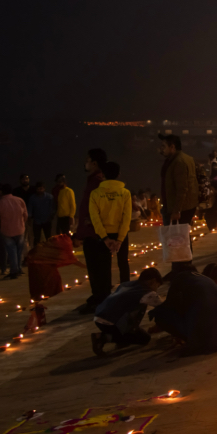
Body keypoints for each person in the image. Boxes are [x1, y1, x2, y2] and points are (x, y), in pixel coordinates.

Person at [148, 266, 217, 354]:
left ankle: (191, 340)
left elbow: (170, 306)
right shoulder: (206, 280)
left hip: (211, 341)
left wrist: (158, 321)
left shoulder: (180, 279)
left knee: (160, 314)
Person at [91, 267, 163, 356]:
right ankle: (103, 338)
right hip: (112, 322)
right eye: (157, 286)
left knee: (135, 331)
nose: (156, 290)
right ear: (153, 281)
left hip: (99, 317)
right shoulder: (147, 293)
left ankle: (120, 339)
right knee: (144, 338)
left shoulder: (126, 284)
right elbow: (163, 307)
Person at [88, 161, 133, 299]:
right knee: (123, 263)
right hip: (121, 233)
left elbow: (95, 218)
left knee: (104, 266)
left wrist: (105, 238)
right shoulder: (125, 193)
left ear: (102, 175)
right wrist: (120, 239)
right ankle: (126, 293)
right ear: (119, 174)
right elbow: (126, 218)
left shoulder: (95, 194)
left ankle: (106, 296)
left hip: (103, 235)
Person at [76, 148, 108, 312]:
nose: (85, 163)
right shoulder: (95, 180)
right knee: (95, 268)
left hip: (94, 232)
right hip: (91, 231)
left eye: (87, 160)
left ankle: (100, 298)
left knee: (97, 268)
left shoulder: (97, 181)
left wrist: (93, 220)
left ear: (94, 163)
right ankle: (98, 296)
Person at [159, 134, 200, 227]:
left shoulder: (179, 162)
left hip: (180, 208)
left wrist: (177, 211)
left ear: (172, 147)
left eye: (163, 146)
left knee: (175, 234)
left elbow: (182, 188)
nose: (161, 149)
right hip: (185, 206)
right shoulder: (185, 158)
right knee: (181, 234)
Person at [0, 184, 27, 279]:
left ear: (1, 192)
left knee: (11, 251)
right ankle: (19, 269)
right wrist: (21, 222)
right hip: (20, 229)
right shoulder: (20, 200)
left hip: (6, 230)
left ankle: (14, 271)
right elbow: (25, 215)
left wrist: (1, 223)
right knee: (19, 251)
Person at [27, 181, 56, 248]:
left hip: (47, 220)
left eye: (41, 189)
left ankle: (49, 251)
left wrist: (51, 216)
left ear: (44, 188)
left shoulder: (49, 197)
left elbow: (53, 208)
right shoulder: (33, 198)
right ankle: (36, 251)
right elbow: (30, 209)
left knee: (48, 238)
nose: (40, 190)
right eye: (38, 189)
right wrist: (29, 218)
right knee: (36, 238)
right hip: (37, 221)